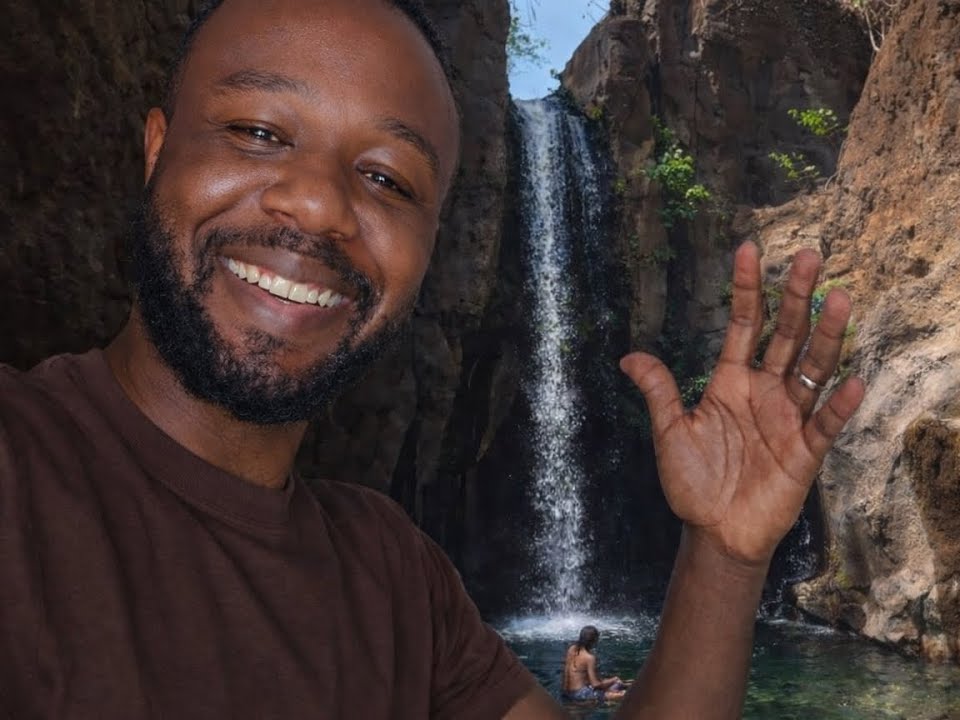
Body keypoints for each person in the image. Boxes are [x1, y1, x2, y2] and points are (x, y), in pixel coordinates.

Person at [0, 0, 866, 718]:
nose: (317, 204)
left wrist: (723, 554)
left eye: (387, 180)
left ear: (433, 240)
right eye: (260, 130)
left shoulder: (396, 580)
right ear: (156, 150)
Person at [561, 626, 628, 704]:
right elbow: (595, 684)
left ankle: (623, 684)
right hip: (580, 694)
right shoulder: (589, 658)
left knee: (612, 683)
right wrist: (614, 679)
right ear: (595, 640)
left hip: (566, 692)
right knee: (623, 694)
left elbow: (566, 673)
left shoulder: (572, 649)